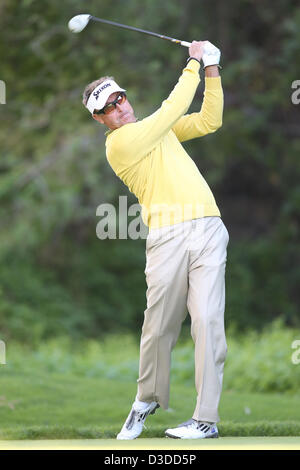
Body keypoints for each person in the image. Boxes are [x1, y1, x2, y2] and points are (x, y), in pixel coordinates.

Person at [82, 40, 229, 440]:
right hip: (168, 237)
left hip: (209, 229)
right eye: (109, 107)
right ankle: (146, 398)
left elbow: (208, 120)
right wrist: (194, 62)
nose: (120, 107)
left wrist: (212, 69)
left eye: (121, 98)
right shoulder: (121, 144)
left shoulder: (156, 131)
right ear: (101, 119)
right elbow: (173, 109)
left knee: (208, 321)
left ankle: (205, 419)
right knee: (159, 326)